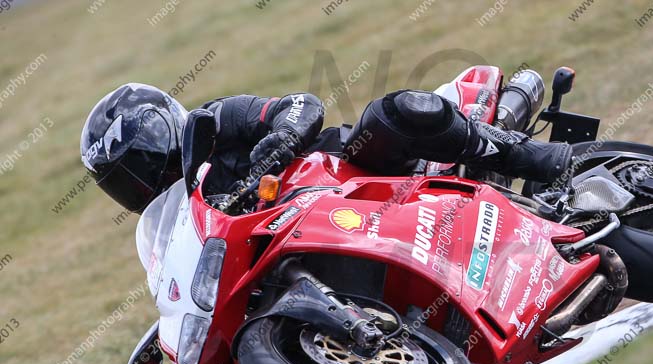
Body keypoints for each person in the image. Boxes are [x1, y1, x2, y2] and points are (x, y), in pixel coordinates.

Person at [80, 82, 572, 213]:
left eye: (141, 159)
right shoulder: (179, 220)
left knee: (392, 114)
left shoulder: (217, 119)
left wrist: (282, 138)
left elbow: (300, 104)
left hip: (354, 170)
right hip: (310, 230)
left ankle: (524, 154)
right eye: (125, 180)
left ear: (165, 127)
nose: (142, 181)